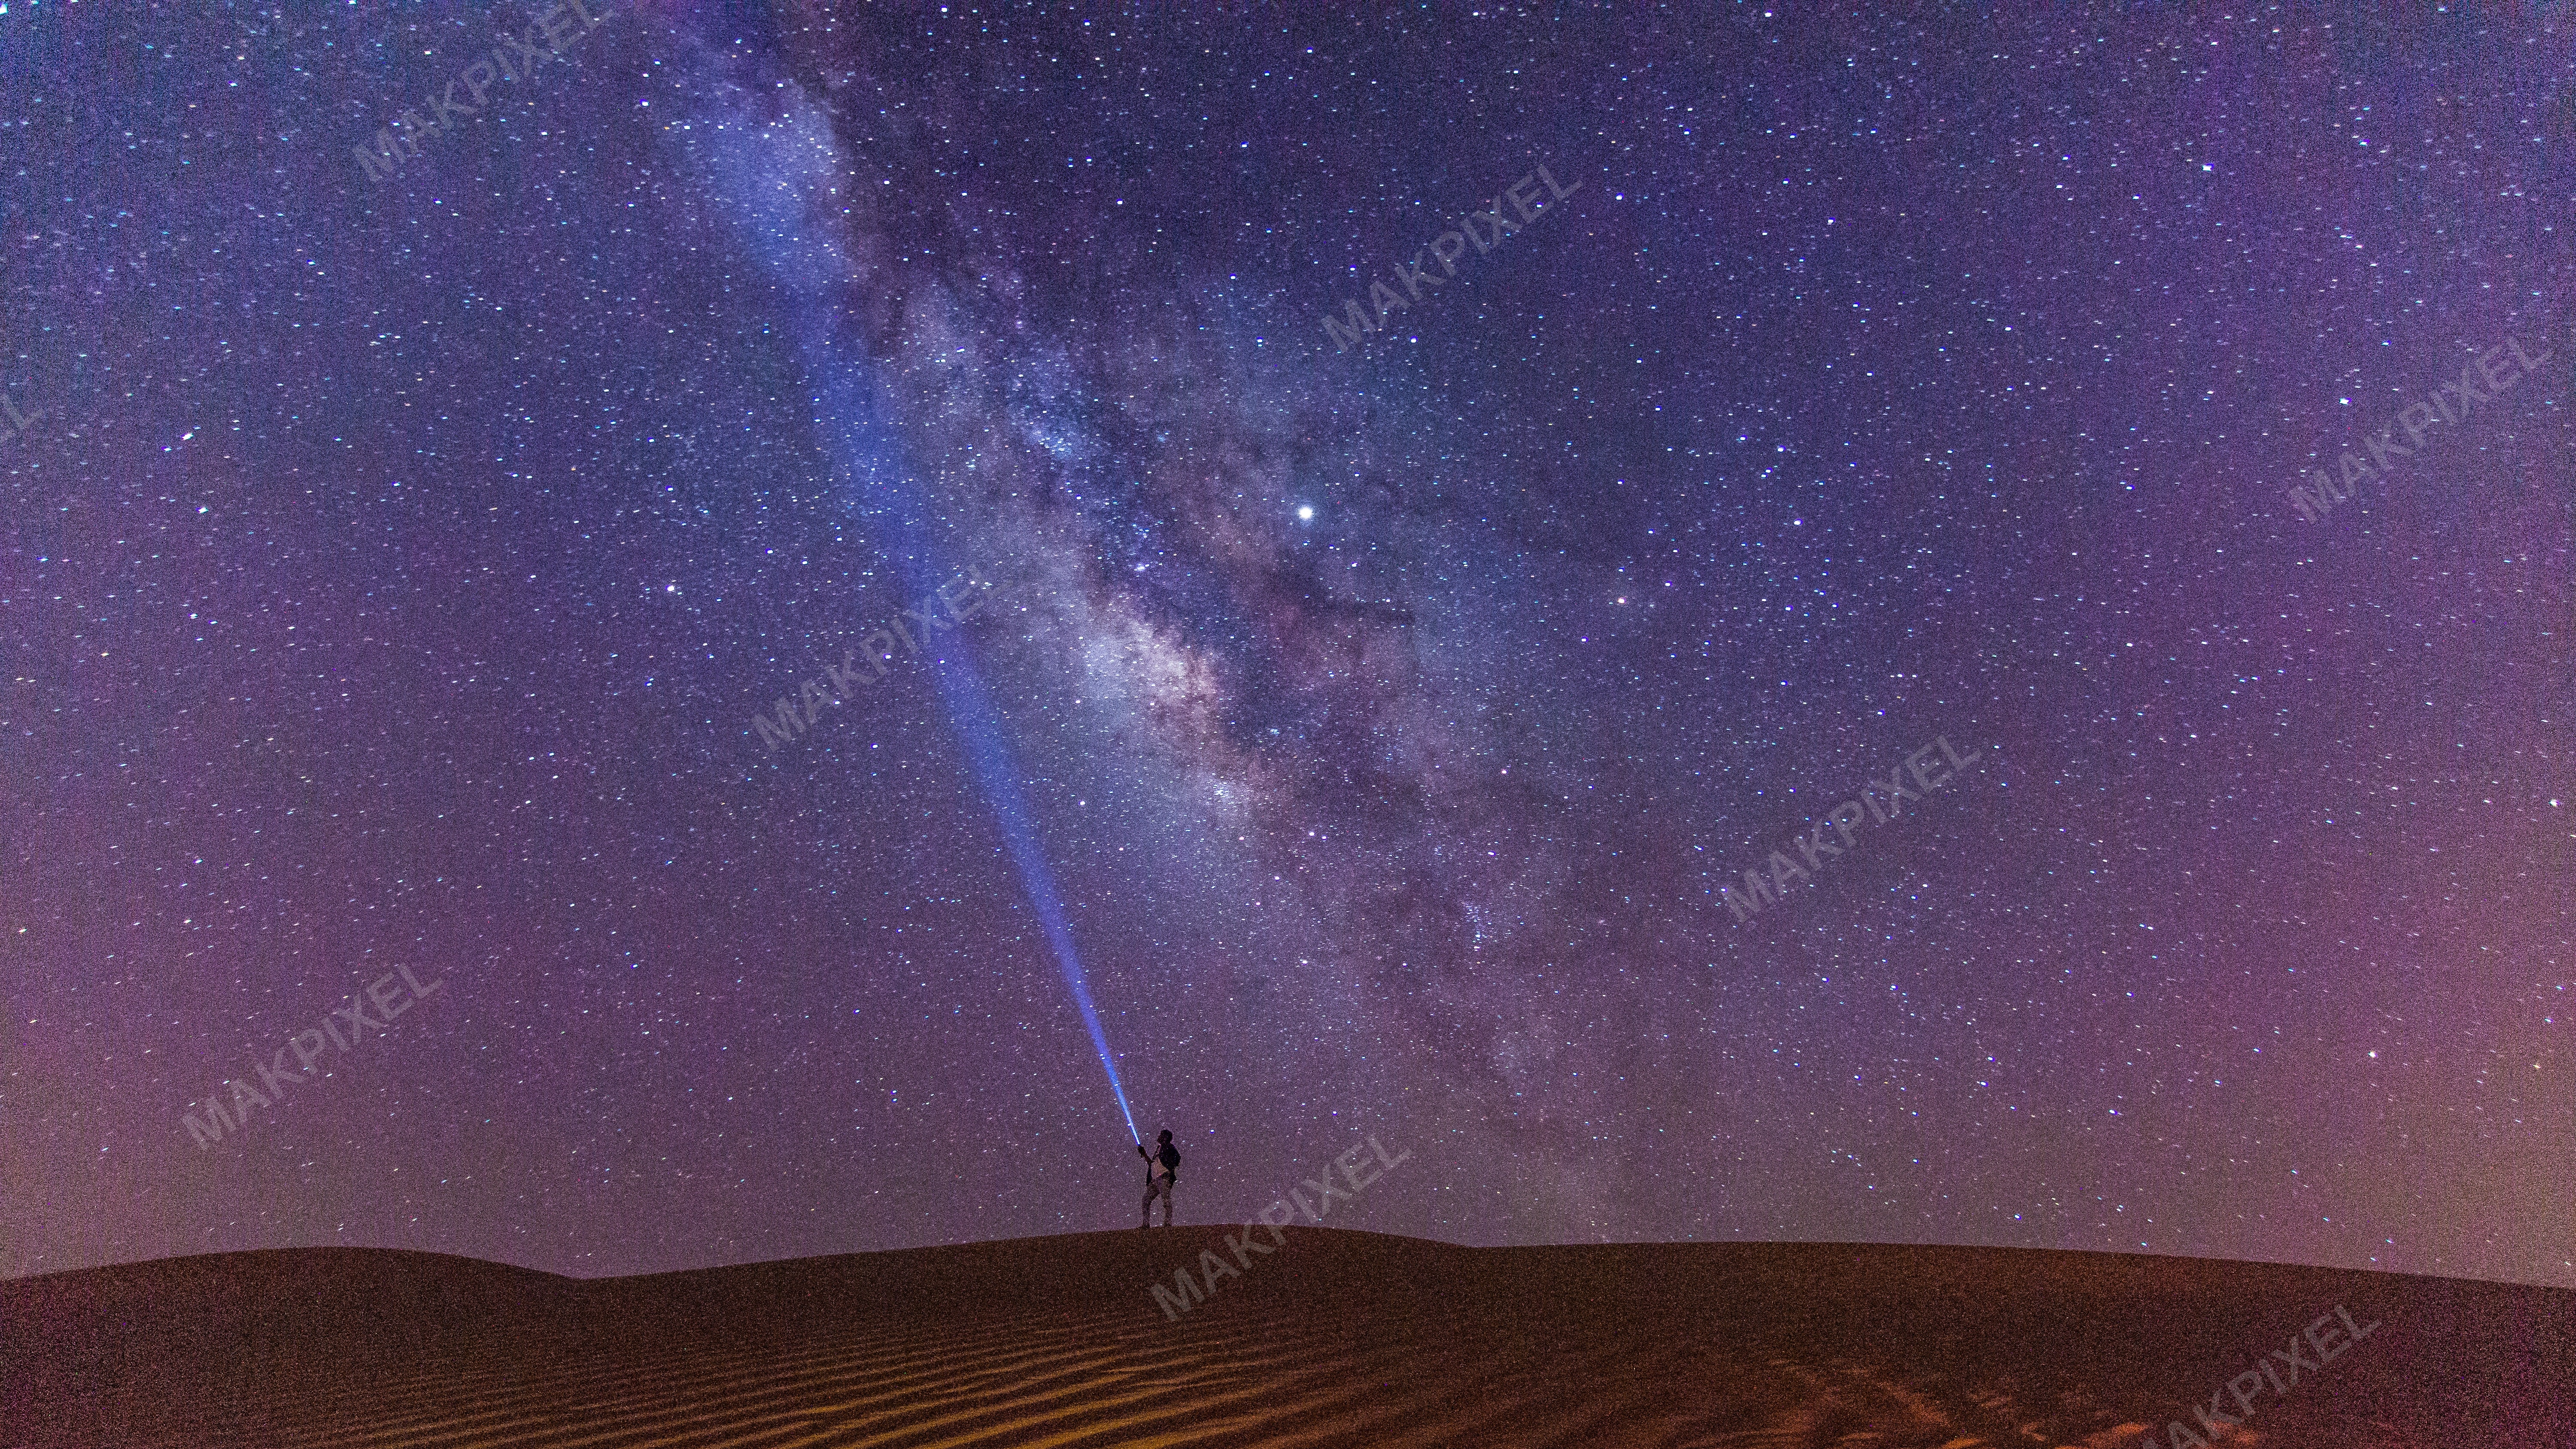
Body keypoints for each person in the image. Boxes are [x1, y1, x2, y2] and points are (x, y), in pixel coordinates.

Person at [1137, 1129, 1180, 1227]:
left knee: (1166, 1200)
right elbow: (1152, 1165)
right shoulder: (1159, 1148)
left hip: (1164, 1178)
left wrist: (1169, 1169)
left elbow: (1177, 1159)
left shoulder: (1169, 1147)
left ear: (1165, 1137)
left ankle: (1168, 1223)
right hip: (1156, 1180)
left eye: (1161, 1135)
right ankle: (1146, 1224)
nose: (1159, 1136)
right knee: (1146, 1200)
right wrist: (1144, 1155)